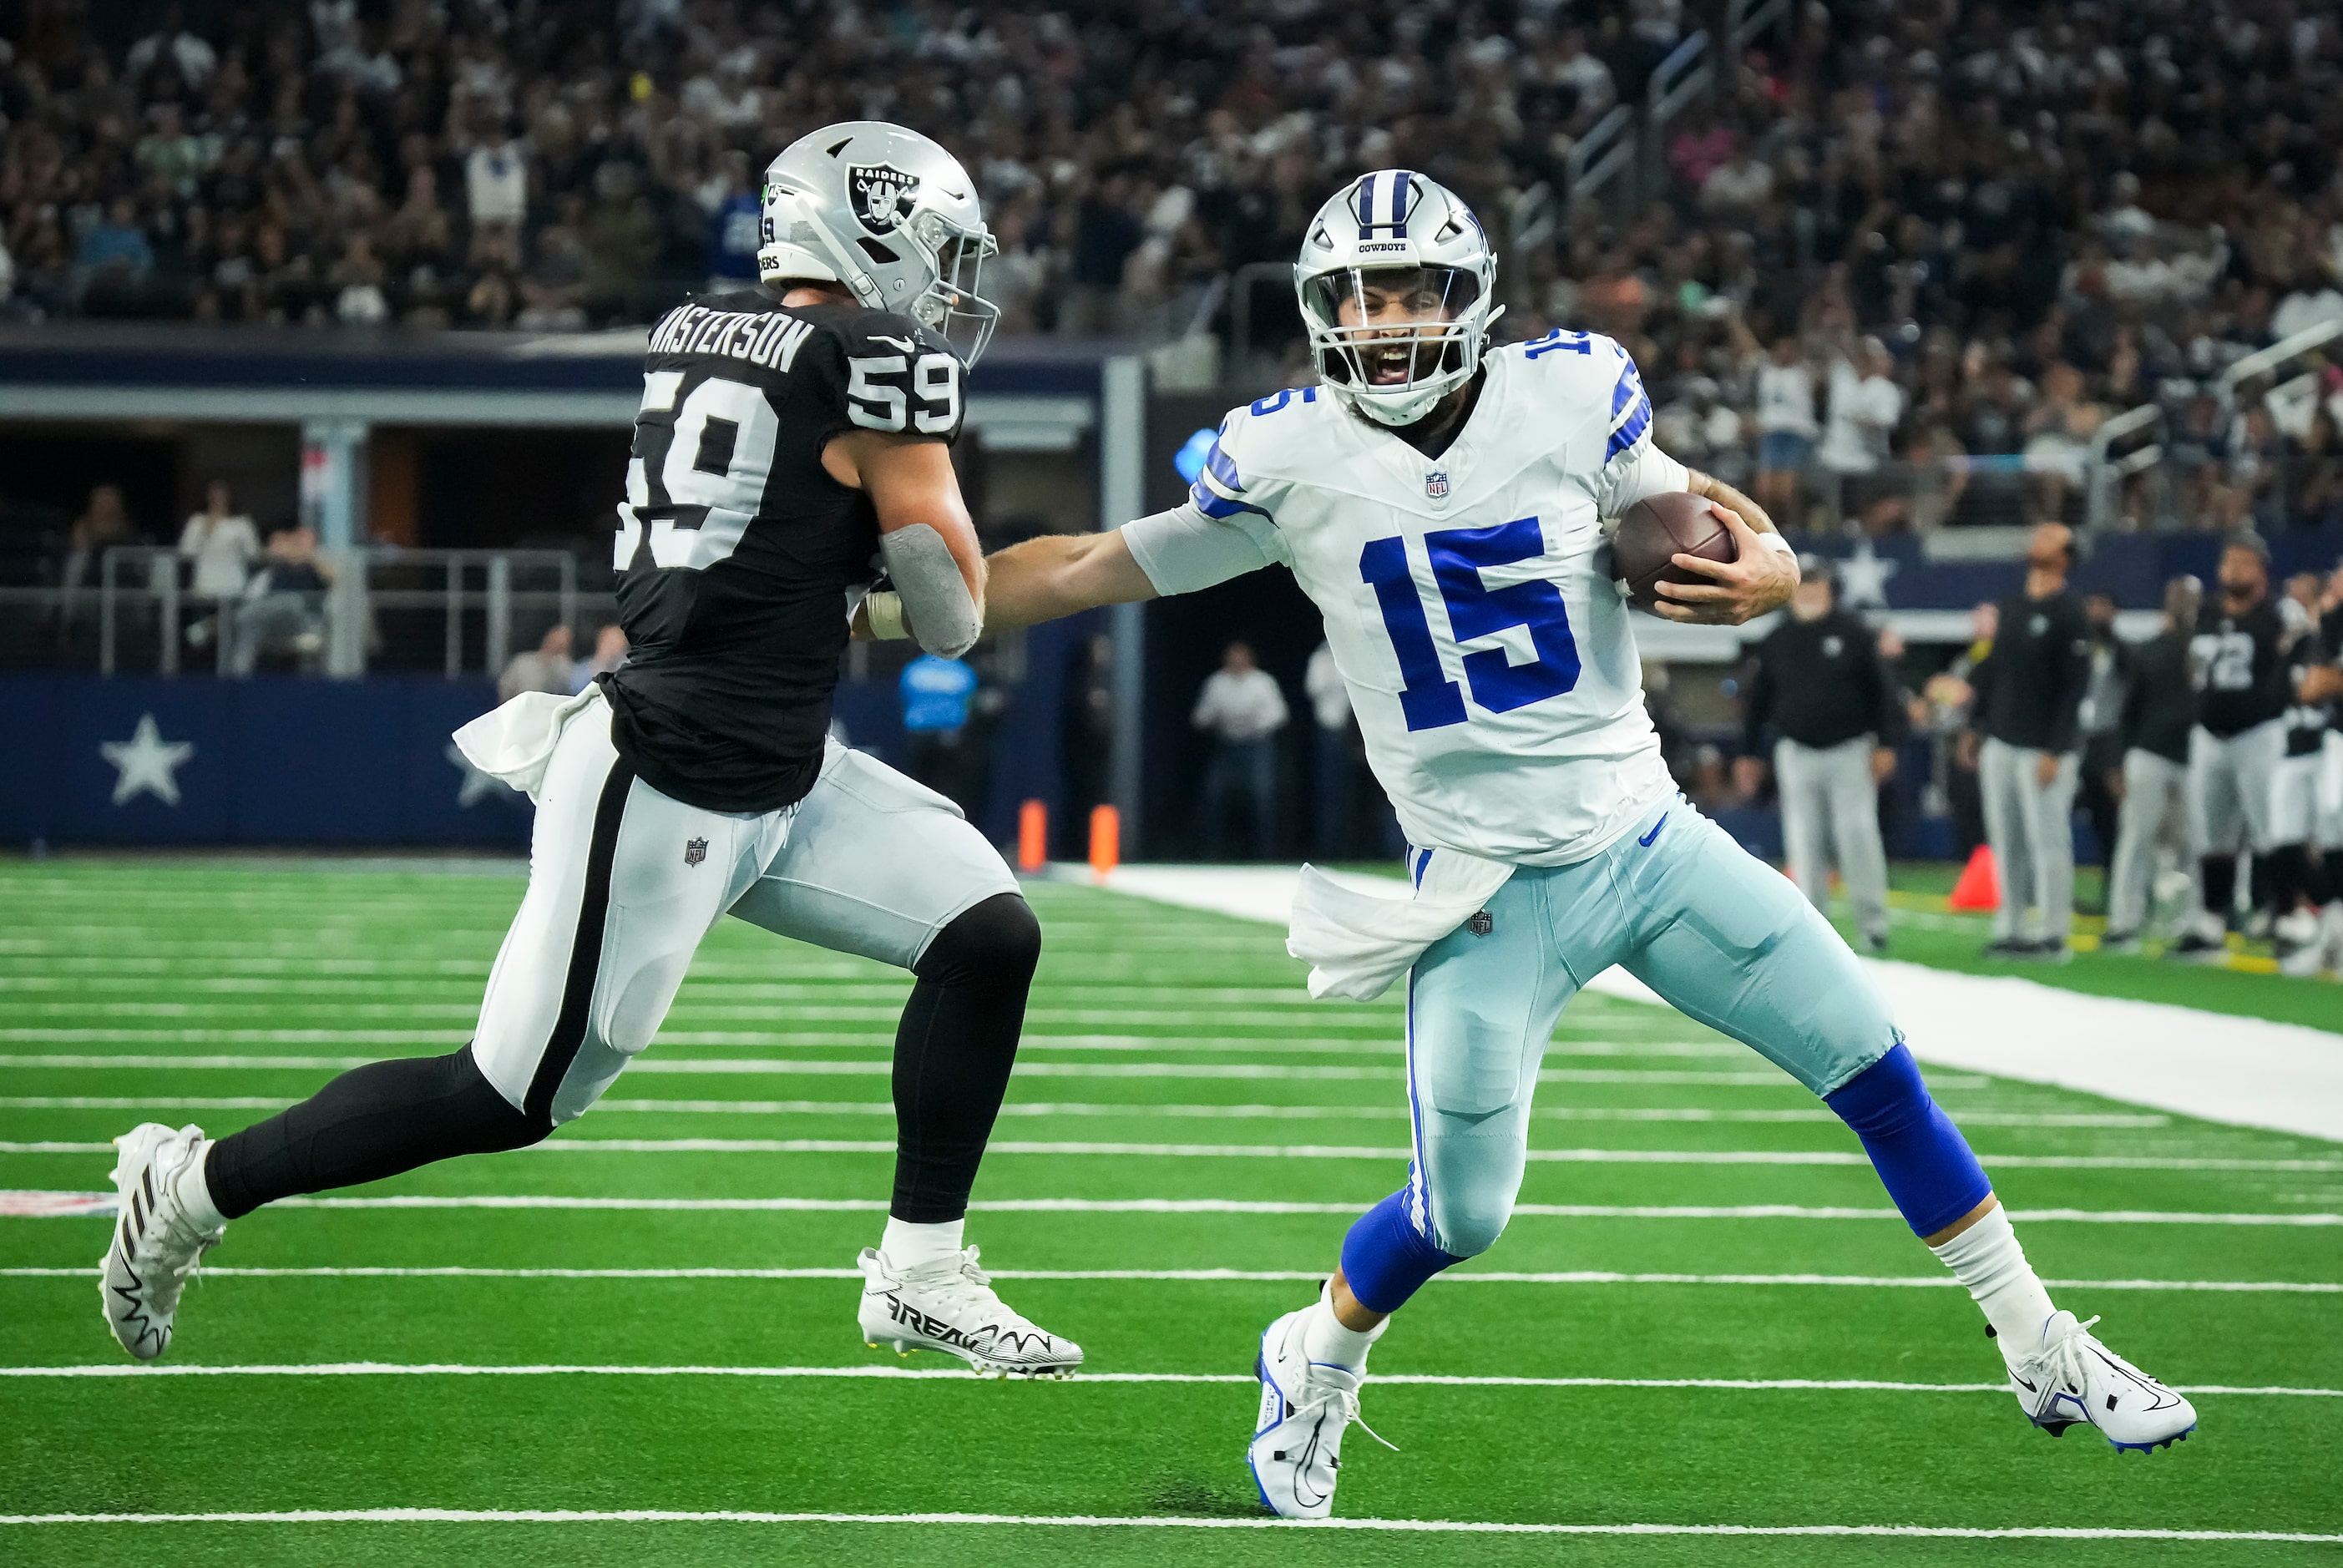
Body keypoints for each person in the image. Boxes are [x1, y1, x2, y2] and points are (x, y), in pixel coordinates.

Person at [950, 169, 2195, 1519]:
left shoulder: (1568, 393)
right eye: (1355, 295)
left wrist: (1774, 566)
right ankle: (1314, 1351)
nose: (1380, 319)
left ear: (1466, 297)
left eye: (1408, 289)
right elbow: (1082, 565)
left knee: (1872, 1059)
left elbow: (1697, 509)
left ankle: (2038, 1340)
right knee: (1461, 1212)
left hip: (1647, 839)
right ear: (1319, 311)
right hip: (1486, 896)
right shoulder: (1288, 457)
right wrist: (885, 612)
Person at [100, 121, 1080, 1383]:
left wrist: (847, 576)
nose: (947, 283)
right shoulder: (869, 357)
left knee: (989, 930)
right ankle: (188, 1186)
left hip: (775, 755)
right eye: (937, 246)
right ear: (871, 227)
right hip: (667, 769)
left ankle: (922, 1271)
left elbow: (769, 537)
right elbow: (949, 614)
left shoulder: (706, 328)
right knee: (506, 1097)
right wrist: (923, 573)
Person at [1736, 556, 1905, 953]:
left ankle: (1873, 923)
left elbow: (1882, 693)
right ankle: (1812, 932)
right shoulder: (1777, 639)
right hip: (1796, 749)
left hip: (1849, 749)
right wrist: (1749, 753)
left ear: (1830, 587)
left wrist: (1886, 743)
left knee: (1857, 836)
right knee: (1803, 841)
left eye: (1817, 583)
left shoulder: (1855, 633)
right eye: (1805, 583)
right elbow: (1758, 701)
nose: (1811, 591)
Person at [1969, 524, 2091, 960]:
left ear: (2064, 556)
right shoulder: (2015, 603)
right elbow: (1998, 670)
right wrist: (1977, 725)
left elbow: (2076, 688)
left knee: (2048, 839)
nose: (2035, 543)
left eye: (2047, 539)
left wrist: (2057, 749)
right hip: (2003, 738)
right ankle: (2013, 925)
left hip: (2044, 746)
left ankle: (2053, 932)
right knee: (2007, 839)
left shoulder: (2071, 611)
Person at [2174, 534, 2295, 956]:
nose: (2233, 571)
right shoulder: (2205, 614)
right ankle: (2211, 920)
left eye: (2244, 563)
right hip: (2210, 734)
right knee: (2212, 834)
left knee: (2272, 830)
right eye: (2229, 562)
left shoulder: (2276, 616)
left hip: (2259, 733)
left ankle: (2284, 915)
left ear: (2262, 571)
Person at [2103, 577, 2201, 949]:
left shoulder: (2205, 647)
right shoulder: (2151, 650)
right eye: (2179, 597)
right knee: (2136, 837)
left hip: (2194, 756)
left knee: (2197, 844)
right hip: (2148, 752)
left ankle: (2196, 920)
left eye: (2189, 598)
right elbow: (2127, 709)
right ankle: (2123, 920)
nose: (2184, 604)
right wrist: (2117, 761)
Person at [1192, 639, 1288, 857]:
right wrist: (1218, 718)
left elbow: (1279, 715)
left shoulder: (1263, 682)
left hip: (1256, 746)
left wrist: (1252, 722)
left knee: (1262, 798)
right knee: (1213, 796)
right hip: (1226, 745)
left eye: (1240, 656)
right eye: (1231, 656)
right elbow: (1200, 717)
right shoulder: (1216, 683)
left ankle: (1266, 852)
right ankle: (1210, 851)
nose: (1236, 661)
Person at [225, 525, 333, 675]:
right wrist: (278, 548)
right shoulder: (279, 565)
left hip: (301, 616)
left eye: (303, 542)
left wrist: (310, 556)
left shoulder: (315, 566)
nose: (298, 545)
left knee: (274, 605)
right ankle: (239, 677)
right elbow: (265, 555)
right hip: (271, 617)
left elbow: (333, 578)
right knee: (249, 622)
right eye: (296, 541)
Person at [900, 650, 981, 810]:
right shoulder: (962, 671)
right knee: (951, 788)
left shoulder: (913, 669)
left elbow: (904, 698)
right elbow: (971, 705)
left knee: (919, 786)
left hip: (920, 734)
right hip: (951, 737)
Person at [1305, 640, 1354, 857]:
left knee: (1351, 792)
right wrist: (1335, 669)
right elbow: (1314, 688)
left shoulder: (1353, 655)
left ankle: (1351, 846)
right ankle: (1329, 848)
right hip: (1328, 731)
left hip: (1353, 731)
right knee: (1329, 791)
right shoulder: (1320, 659)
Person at [497, 623, 574, 701]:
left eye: (563, 643)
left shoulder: (565, 667)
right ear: (548, 638)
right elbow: (505, 688)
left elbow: (566, 690)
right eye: (555, 639)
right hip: (519, 707)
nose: (557, 644)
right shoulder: (522, 661)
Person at [569, 621, 628, 692]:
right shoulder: (584, 668)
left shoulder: (627, 667)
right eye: (610, 642)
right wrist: (601, 662)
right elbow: (575, 687)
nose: (613, 648)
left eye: (618, 644)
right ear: (600, 642)